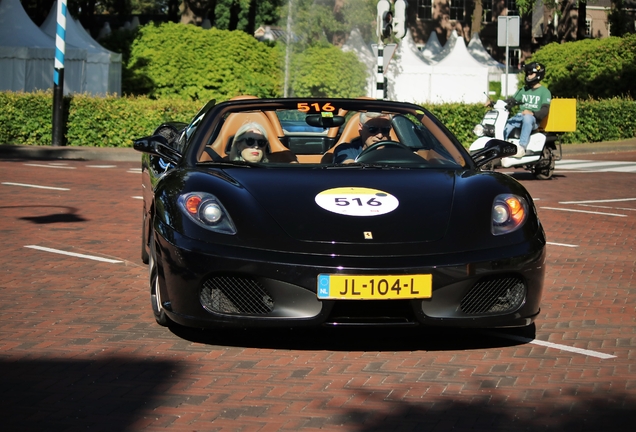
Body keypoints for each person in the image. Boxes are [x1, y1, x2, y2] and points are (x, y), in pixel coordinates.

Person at [503, 62, 551, 157]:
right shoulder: (524, 89)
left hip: (533, 120)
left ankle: (522, 147)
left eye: (531, 74)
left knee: (527, 118)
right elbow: (511, 101)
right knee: (509, 122)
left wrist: (532, 113)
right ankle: (502, 145)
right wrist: (495, 103)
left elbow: (545, 110)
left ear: (538, 75)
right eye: (527, 74)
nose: (528, 76)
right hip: (519, 117)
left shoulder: (545, 92)